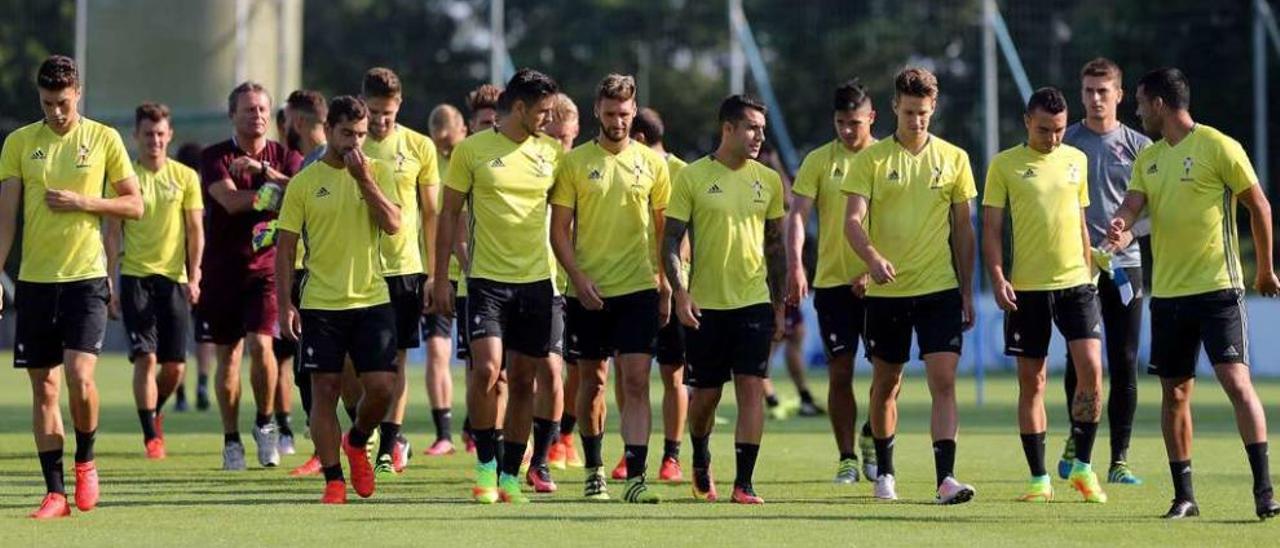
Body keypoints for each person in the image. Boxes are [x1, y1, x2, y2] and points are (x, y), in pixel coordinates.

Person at [1109, 67, 1280, 520]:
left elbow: (1258, 204)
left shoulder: (1218, 146)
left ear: (1160, 104)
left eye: (1141, 103)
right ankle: (1185, 496)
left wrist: (1264, 270)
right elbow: (1131, 206)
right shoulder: (1148, 159)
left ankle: (1265, 491)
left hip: (1219, 289)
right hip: (1167, 297)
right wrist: (1121, 228)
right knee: (1175, 394)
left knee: (1236, 383)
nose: (1138, 111)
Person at [0, 55, 144, 518]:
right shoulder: (20, 143)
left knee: (80, 379)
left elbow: (134, 204)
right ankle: (55, 493)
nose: (55, 112)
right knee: (44, 389)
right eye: (46, 103)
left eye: (62, 102)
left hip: (85, 279)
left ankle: (86, 460)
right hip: (35, 283)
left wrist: (84, 201)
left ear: (77, 93)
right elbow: (6, 220)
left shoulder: (104, 139)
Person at [842, 67, 978, 504]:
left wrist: (967, 289)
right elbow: (852, 222)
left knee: (944, 380)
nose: (916, 120)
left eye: (923, 112)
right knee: (886, 384)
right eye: (908, 112)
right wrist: (873, 258)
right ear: (895, 108)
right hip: (887, 293)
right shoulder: (872, 160)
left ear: (933, 108)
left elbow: (963, 230)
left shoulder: (955, 159)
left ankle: (946, 479)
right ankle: (885, 472)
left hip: (939, 289)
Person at [430, 68, 563, 504]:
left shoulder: (553, 154)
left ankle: (510, 474)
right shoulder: (473, 151)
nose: (549, 118)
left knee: (524, 380)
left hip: (538, 283)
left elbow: (566, 220)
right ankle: (485, 464)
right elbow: (448, 215)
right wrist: (440, 276)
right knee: (488, 370)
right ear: (520, 108)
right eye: (542, 111)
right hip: (486, 281)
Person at [982, 87, 1108, 504]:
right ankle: (1039, 479)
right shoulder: (1004, 165)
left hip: (1077, 284)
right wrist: (998, 276)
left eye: (1057, 130)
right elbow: (992, 231)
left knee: (1091, 369)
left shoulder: (1077, 160)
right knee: (1032, 382)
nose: (1052, 138)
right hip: (1027, 290)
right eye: (1043, 130)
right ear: (1026, 122)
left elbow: (1080, 220)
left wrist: (1091, 266)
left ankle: (1084, 467)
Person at [276, 95, 402, 504]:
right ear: (328, 130)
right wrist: (283, 304)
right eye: (347, 134)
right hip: (320, 304)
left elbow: (394, 224)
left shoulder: (378, 171)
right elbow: (284, 248)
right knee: (325, 389)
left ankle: (358, 440)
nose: (355, 143)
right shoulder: (305, 182)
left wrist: (365, 181)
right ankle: (333, 480)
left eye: (361, 135)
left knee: (382, 388)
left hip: (371, 298)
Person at [551, 74, 671, 502]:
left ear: (634, 111)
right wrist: (577, 278)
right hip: (589, 291)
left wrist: (667, 285)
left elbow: (663, 231)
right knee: (593, 383)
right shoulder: (575, 164)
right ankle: (594, 468)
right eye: (608, 113)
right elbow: (559, 231)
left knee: (637, 381)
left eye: (623, 113)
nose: (616, 121)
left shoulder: (654, 164)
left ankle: (636, 477)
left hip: (638, 287)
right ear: (596, 112)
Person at [662, 94, 786, 505]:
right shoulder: (692, 177)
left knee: (752, 389)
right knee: (706, 398)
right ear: (728, 128)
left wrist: (780, 304)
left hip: (753, 302)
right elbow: (670, 242)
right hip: (705, 307)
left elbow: (776, 248)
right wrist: (680, 293)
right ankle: (699, 453)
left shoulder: (767, 180)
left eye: (762, 129)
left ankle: (744, 483)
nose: (758, 136)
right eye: (751, 127)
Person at [199, 81, 302, 470]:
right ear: (232, 115)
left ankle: (265, 424)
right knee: (228, 357)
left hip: (267, 270)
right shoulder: (214, 157)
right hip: (223, 271)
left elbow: (301, 190)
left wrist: (264, 173)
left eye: (262, 109)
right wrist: (272, 195)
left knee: (262, 347)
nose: (256, 116)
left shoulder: (286, 156)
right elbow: (228, 200)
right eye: (248, 110)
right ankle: (231, 440)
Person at [1058, 57, 1152, 485]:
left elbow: (1159, 210)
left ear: (1120, 94)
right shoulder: (1066, 142)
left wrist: (1132, 235)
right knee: (1079, 363)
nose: (1095, 99)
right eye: (1088, 91)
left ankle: (1120, 460)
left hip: (1125, 269)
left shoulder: (1139, 146)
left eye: (1103, 91)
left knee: (1124, 361)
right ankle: (1079, 444)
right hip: (1077, 270)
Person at [786, 79, 877, 485]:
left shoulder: (886, 158)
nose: (847, 130)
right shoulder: (819, 161)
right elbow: (798, 217)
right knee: (840, 372)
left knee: (885, 374)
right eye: (841, 122)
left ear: (871, 118)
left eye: (855, 122)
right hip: (833, 286)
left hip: (883, 284)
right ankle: (847, 457)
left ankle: (874, 436)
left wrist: (873, 268)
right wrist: (796, 266)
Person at [104, 103, 204, 461]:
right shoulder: (124, 180)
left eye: (161, 134)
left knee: (175, 367)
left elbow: (196, 232)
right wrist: (111, 282)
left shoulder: (186, 178)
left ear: (170, 135)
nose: (155, 140)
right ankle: (151, 436)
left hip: (174, 279)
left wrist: (195, 275)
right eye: (148, 134)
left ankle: (155, 410)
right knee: (145, 359)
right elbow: (112, 233)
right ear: (136, 136)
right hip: (135, 278)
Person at [359, 67, 440, 476]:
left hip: (406, 269)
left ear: (400, 105)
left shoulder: (419, 147)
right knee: (354, 368)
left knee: (398, 363)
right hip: (359, 271)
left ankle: (388, 445)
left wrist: (432, 273)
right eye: (373, 111)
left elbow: (431, 214)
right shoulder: (350, 146)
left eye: (387, 112)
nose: (380, 120)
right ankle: (366, 425)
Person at [421, 103, 467, 456]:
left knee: (484, 361)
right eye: (440, 144)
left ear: (462, 130)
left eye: (449, 142)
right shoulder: (427, 160)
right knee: (437, 350)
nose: (445, 149)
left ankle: (477, 428)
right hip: (437, 274)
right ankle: (444, 433)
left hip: (474, 273)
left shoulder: (471, 158)